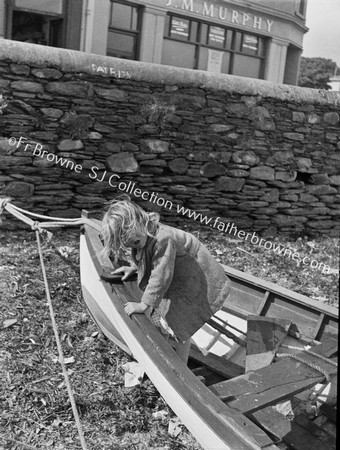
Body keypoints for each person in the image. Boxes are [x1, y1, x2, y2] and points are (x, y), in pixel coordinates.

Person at [101, 195, 231, 363]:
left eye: (136, 241)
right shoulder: (144, 233)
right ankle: (164, 349)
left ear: (140, 221)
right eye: (130, 245)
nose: (135, 246)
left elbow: (161, 275)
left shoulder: (163, 238)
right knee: (163, 318)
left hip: (195, 275)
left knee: (180, 324)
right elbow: (149, 257)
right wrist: (134, 267)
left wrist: (144, 304)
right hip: (177, 269)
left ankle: (181, 367)